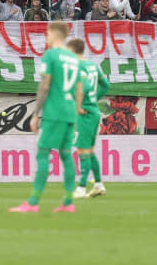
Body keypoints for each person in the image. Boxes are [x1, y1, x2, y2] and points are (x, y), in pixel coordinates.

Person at [10, 21, 82, 213]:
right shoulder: (73, 58)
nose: (46, 37)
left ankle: (33, 202)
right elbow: (78, 88)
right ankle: (68, 202)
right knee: (66, 156)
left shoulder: (50, 55)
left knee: (43, 152)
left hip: (54, 112)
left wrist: (35, 113)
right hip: (69, 113)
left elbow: (45, 85)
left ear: (55, 34)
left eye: (48, 34)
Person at [68, 38, 110, 199]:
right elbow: (106, 85)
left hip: (84, 111)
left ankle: (81, 188)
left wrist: (79, 104)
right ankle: (99, 184)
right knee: (90, 151)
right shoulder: (92, 65)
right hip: (93, 110)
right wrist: (93, 99)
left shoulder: (77, 67)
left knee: (82, 150)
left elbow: (82, 87)